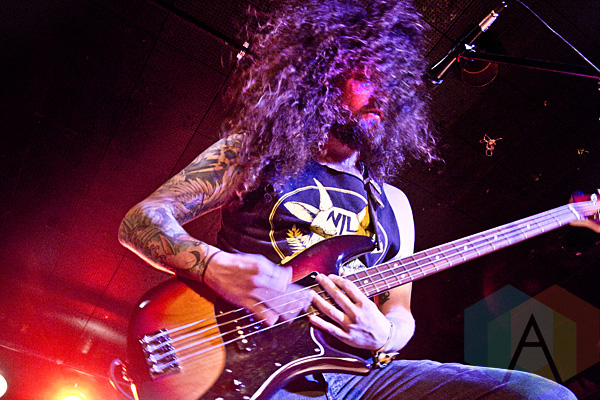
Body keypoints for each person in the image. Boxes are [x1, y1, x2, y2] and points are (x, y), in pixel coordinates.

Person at [118, 0, 576, 398]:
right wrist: (214, 266)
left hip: (359, 374)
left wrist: (385, 335)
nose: (382, 95)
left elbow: (400, 310)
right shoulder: (257, 152)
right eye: (365, 76)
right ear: (323, 77)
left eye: (391, 83)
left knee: (540, 394)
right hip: (245, 363)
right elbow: (141, 220)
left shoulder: (393, 203)